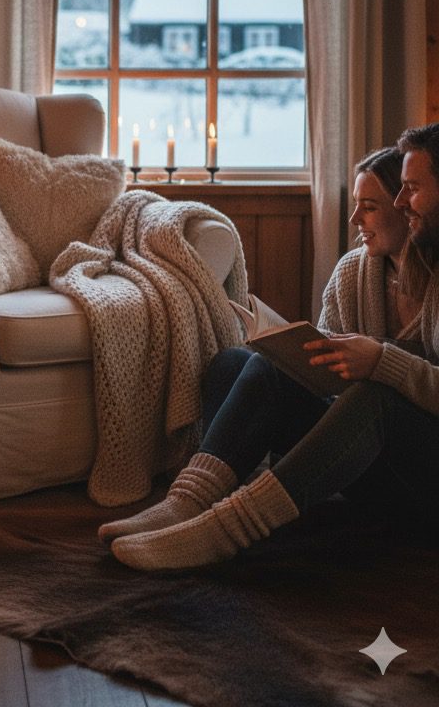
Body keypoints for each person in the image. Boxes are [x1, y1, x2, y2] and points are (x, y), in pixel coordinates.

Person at [100, 138, 439, 571]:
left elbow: (380, 388)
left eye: (374, 205)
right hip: (367, 459)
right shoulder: (354, 272)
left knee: (374, 400)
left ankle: (227, 528)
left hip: (423, 480)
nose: (357, 218)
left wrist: (381, 364)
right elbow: (330, 383)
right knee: (244, 364)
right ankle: (188, 502)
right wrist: (295, 355)